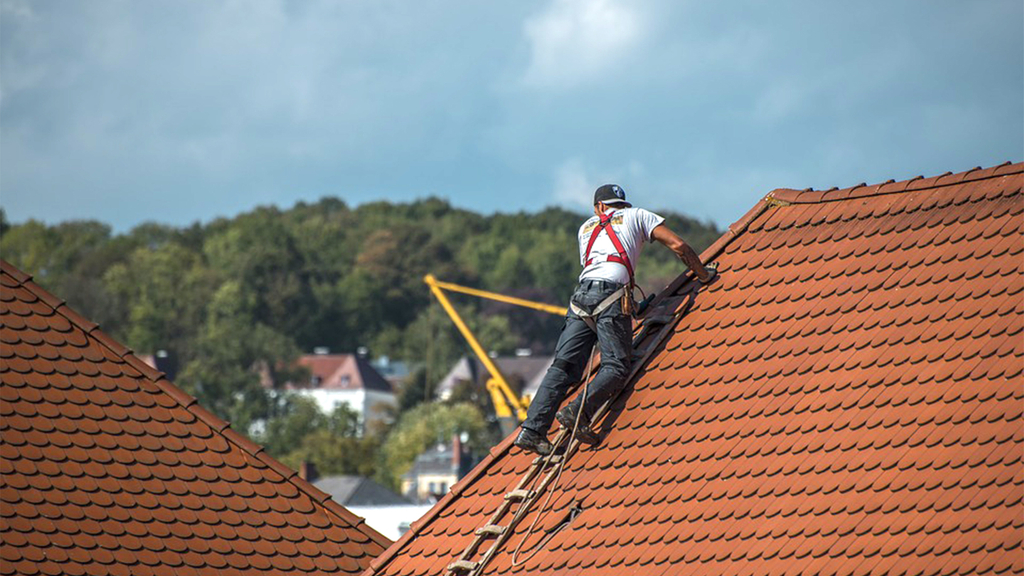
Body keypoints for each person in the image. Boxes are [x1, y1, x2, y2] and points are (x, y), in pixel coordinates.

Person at [513, 184, 715, 455]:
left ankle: (532, 430)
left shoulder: (585, 229)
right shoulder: (638, 215)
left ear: (599, 207)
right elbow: (678, 245)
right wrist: (703, 274)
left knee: (563, 367)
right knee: (617, 366)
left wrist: (629, 307)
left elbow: (599, 266)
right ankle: (577, 412)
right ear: (621, 204)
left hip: (581, 299)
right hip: (611, 295)